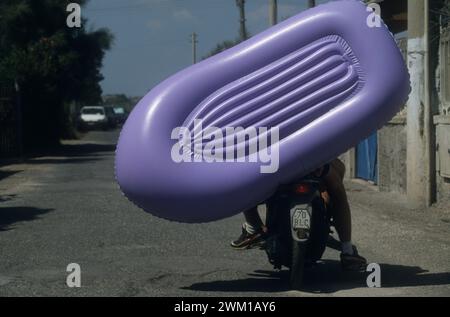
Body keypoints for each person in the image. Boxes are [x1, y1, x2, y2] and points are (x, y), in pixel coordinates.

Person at [230, 158, 367, 271]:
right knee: (337, 186)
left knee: (246, 179)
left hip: (278, 161)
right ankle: (347, 250)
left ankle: (253, 228)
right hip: (309, 161)